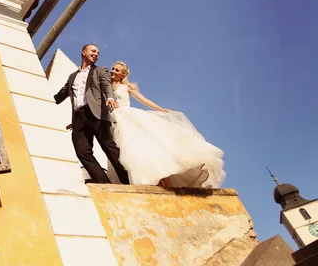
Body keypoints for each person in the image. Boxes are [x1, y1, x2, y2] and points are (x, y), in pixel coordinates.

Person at [107, 61, 226, 187]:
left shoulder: (127, 88)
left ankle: (167, 183)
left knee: (150, 147)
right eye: (113, 69)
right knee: (132, 153)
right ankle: (152, 183)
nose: (113, 71)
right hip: (116, 119)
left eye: (117, 70)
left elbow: (144, 100)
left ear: (123, 75)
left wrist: (160, 109)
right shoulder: (106, 86)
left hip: (129, 117)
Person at [54, 44, 130, 184]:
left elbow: (107, 85)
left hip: (96, 113)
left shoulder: (100, 70)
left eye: (98, 53)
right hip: (78, 118)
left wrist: (110, 97)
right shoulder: (72, 77)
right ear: (83, 52)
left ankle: (127, 180)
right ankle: (104, 182)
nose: (96, 54)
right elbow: (60, 95)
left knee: (109, 147)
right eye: (93, 51)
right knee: (82, 151)